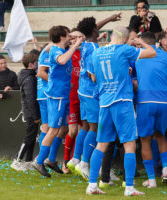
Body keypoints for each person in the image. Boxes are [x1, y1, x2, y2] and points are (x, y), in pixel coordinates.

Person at [85, 26, 156, 196]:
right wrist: (139, 42)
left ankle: (92, 185)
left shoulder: (96, 53)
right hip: (122, 102)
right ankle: (129, 187)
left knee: (101, 145)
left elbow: (93, 77)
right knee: (129, 144)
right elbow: (152, 52)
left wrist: (122, 71)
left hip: (104, 102)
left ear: (111, 36)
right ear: (124, 38)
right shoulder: (125, 49)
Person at [67, 14, 121, 175]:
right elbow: (94, 76)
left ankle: (76, 159)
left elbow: (93, 27)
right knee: (95, 128)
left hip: (82, 91)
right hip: (91, 92)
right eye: (97, 28)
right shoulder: (95, 49)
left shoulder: (85, 44)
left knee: (85, 126)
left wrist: (109, 19)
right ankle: (84, 164)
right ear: (94, 30)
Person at [32, 25, 83, 178]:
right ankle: (39, 161)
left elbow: (51, 47)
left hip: (64, 92)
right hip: (57, 95)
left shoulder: (57, 47)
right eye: (67, 35)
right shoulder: (56, 50)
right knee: (53, 129)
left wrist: (73, 40)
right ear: (61, 37)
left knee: (64, 128)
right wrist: (74, 46)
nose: (70, 38)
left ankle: (51, 159)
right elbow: (61, 61)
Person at [135, 32, 167, 188]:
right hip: (164, 101)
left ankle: (151, 180)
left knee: (145, 139)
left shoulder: (137, 55)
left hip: (145, 101)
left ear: (141, 43)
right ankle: (166, 169)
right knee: (160, 136)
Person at [10, 53, 40, 171]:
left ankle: (28, 161)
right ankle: (17, 160)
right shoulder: (29, 79)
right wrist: (36, 115)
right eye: (36, 63)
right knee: (29, 137)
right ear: (31, 65)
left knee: (32, 137)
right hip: (30, 113)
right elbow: (30, 99)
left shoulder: (29, 76)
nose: (38, 65)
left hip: (29, 112)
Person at [62, 29, 84, 174]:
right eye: (77, 37)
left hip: (84, 97)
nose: (81, 40)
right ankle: (65, 161)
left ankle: (77, 162)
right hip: (71, 98)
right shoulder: (67, 54)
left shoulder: (86, 53)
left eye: (81, 37)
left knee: (83, 130)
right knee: (73, 130)